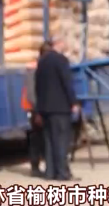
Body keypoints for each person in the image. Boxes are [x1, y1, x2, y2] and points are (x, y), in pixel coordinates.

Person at [34, 39, 80, 181]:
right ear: (59, 44)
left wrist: (39, 109)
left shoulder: (41, 62)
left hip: (45, 108)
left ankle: (50, 172)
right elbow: (67, 82)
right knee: (61, 141)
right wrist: (73, 102)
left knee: (49, 141)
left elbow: (38, 87)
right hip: (60, 107)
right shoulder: (61, 60)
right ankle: (62, 173)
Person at [21, 58, 44, 177]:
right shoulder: (32, 70)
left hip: (34, 108)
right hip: (33, 109)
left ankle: (38, 166)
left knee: (38, 138)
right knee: (36, 138)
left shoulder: (36, 68)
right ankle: (35, 167)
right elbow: (31, 94)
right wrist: (37, 110)